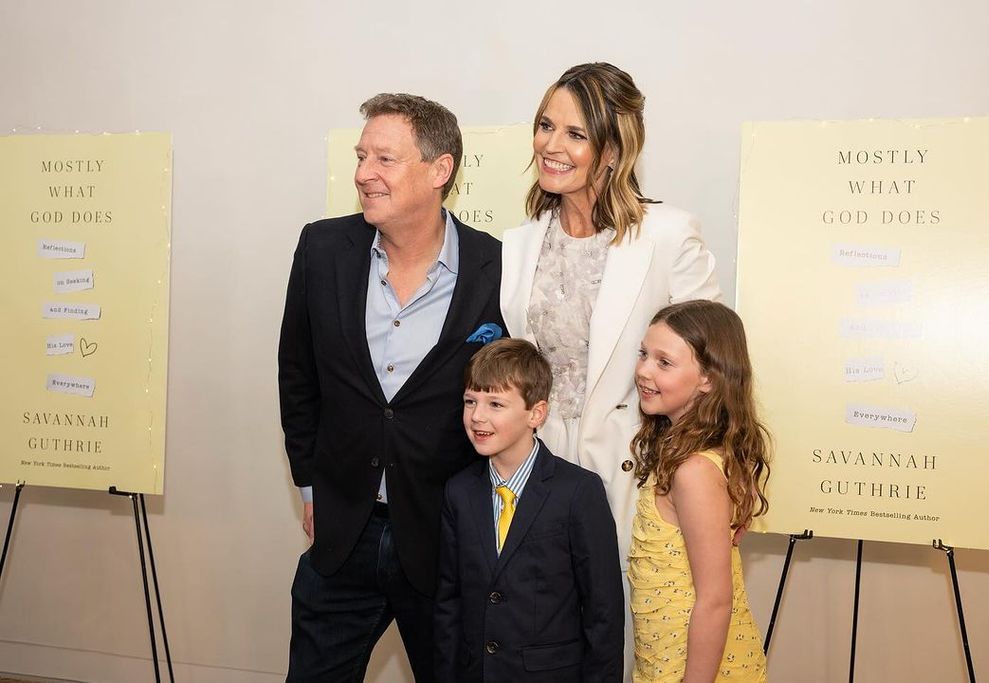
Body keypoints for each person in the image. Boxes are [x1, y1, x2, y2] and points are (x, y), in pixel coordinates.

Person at [500, 62, 723, 672]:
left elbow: (712, 369)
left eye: (575, 133)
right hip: (534, 470)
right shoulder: (516, 246)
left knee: (618, 636)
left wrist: (687, 480)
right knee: (535, 625)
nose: (551, 144)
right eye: (546, 125)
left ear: (612, 149)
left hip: (633, 471)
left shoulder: (668, 235)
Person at [278, 93, 504, 682]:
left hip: (446, 540)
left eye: (384, 158)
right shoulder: (322, 249)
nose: (362, 173)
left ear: (440, 169)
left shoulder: (498, 268)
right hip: (341, 535)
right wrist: (309, 486)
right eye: (361, 156)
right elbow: (297, 375)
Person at [434, 338, 624, 682]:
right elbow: (449, 603)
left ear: (536, 413)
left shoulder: (578, 491)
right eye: (470, 401)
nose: (477, 416)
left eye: (495, 403)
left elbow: (603, 611)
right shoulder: (459, 492)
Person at [628, 301, 770, 682]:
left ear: (709, 377)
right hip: (669, 659)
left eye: (664, 362)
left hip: (694, 669)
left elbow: (715, 600)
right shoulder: (684, 455)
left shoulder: (694, 471)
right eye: (643, 354)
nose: (643, 370)